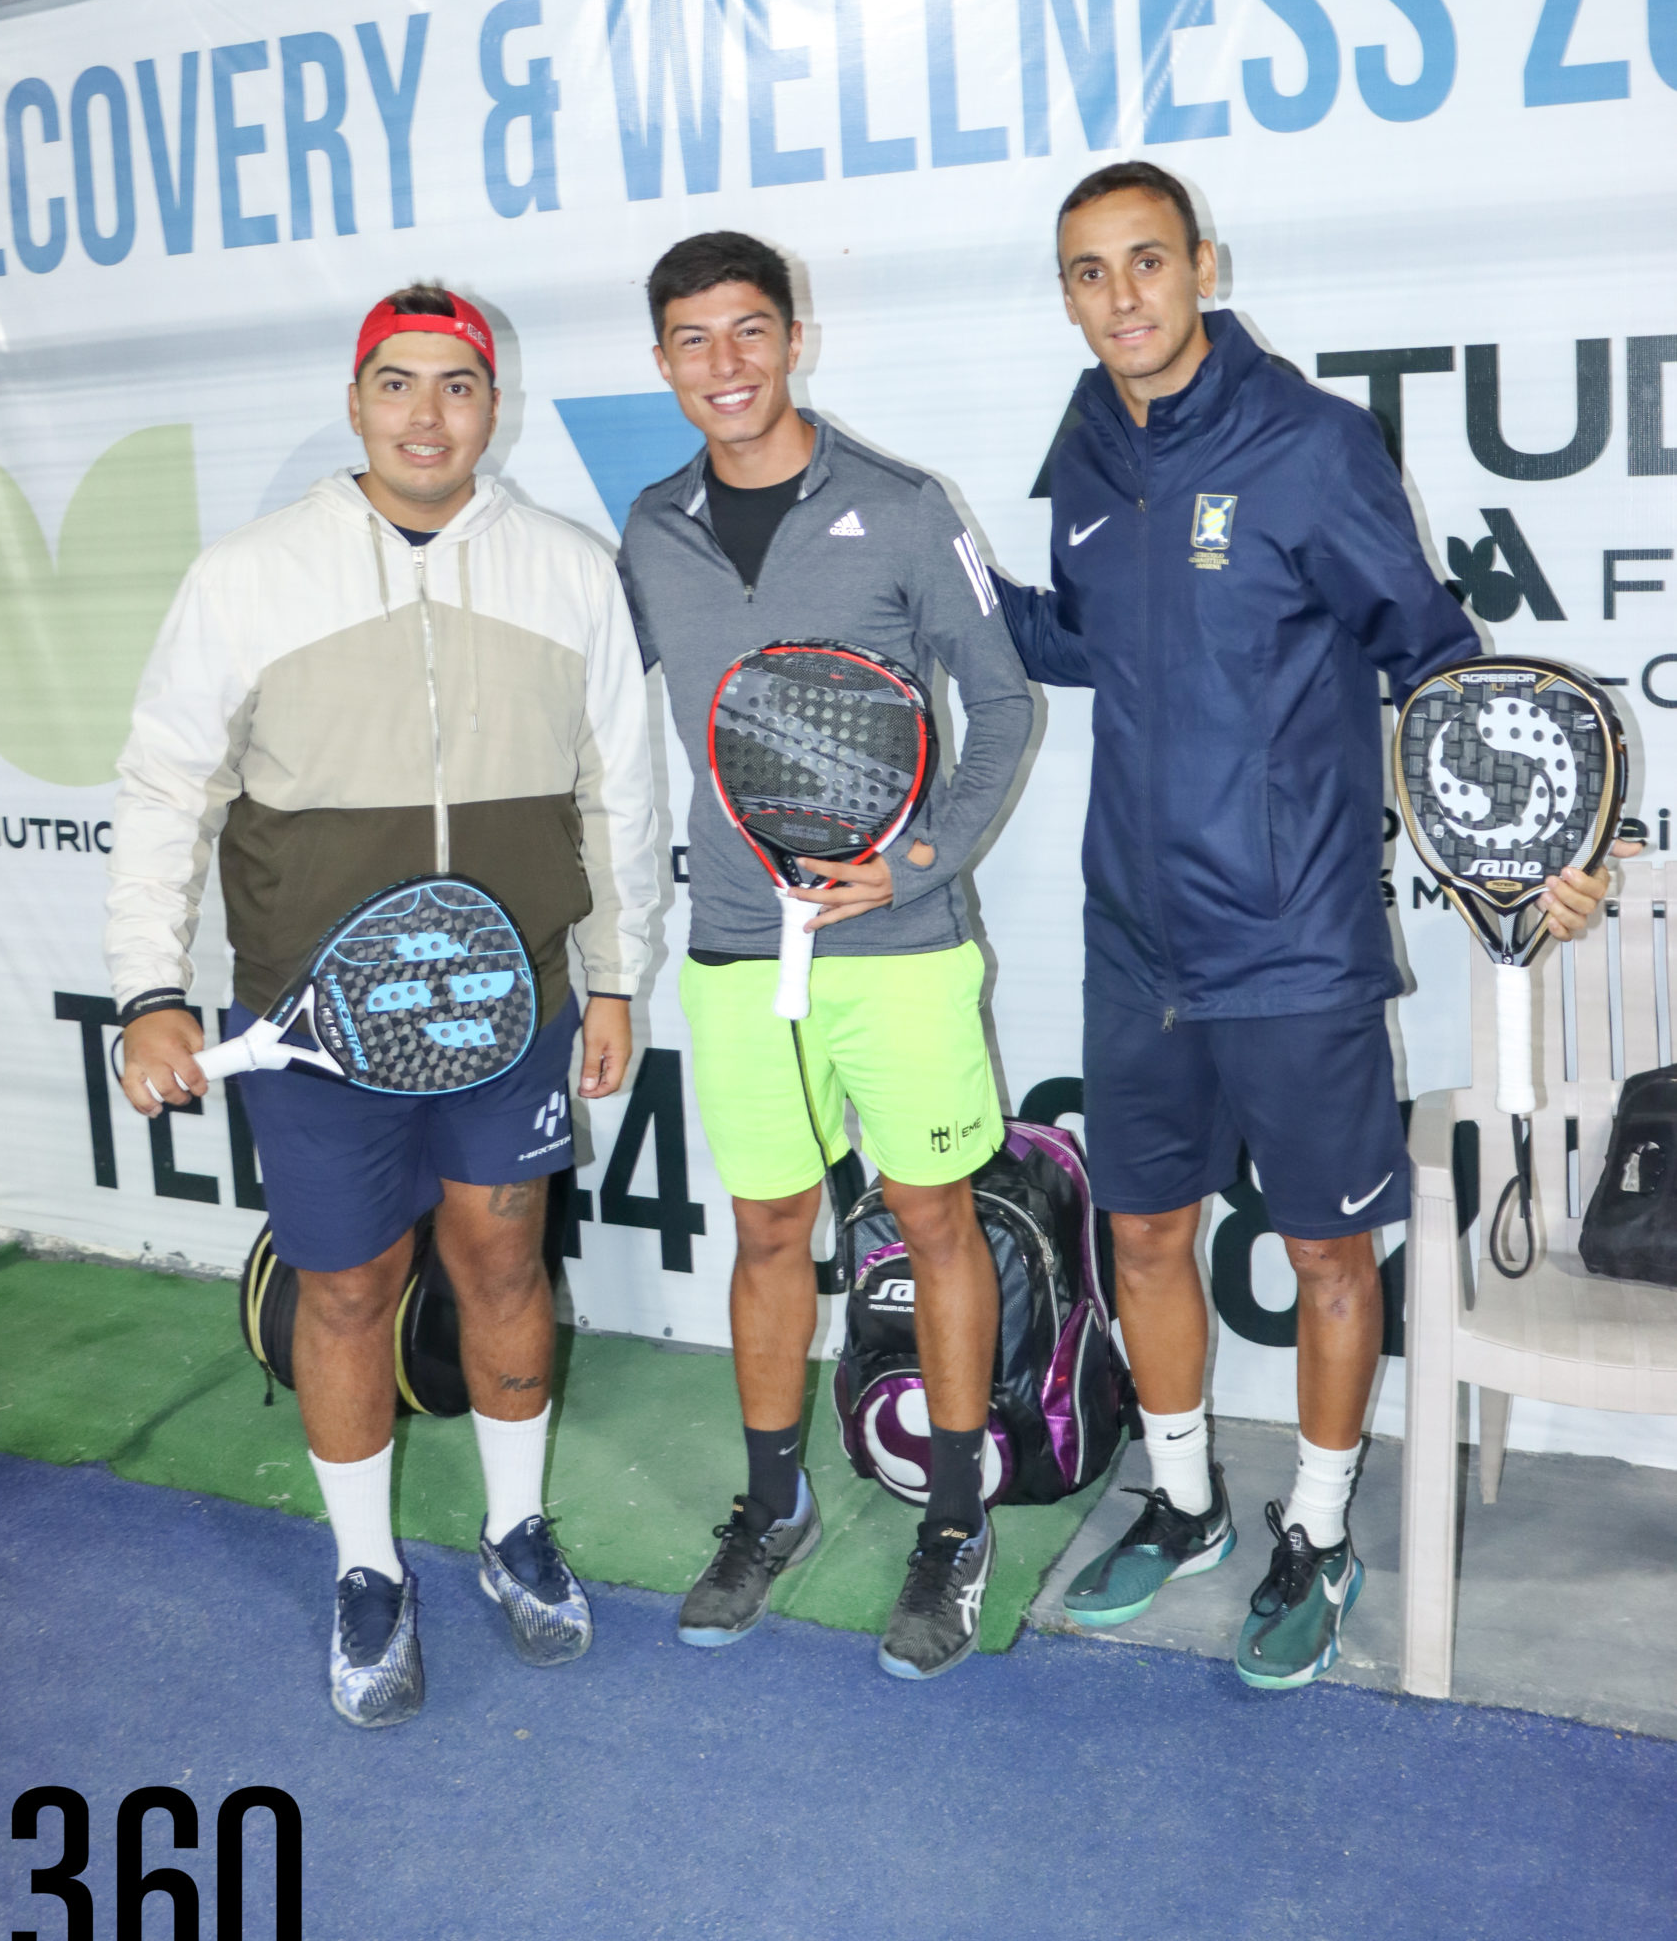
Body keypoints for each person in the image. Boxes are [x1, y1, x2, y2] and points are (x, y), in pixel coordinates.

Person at [994, 161, 1619, 1689]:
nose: (1122, 296)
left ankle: (1323, 1528)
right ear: (1067, 292)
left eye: (1147, 262)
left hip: (1293, 938)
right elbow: (1083, 643)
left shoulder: (1315, 446)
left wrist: (1533, 851)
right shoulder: (1082, 446)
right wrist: (933, 595)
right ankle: (1191, 1502)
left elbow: (1435, 658)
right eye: (1089, 272)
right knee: (1144, 1231)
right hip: (1136, 938)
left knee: (1333, 1255)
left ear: (1204, 263)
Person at [110, 285, 658, 1726]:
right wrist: (148, 991)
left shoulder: (568, 570)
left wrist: (612, 973)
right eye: (399, 384)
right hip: (315, 1024)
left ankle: (514, 1532)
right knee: (344, 1290)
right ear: (355, 403)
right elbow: (167, 786)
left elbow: (618, 791)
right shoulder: (247, 575)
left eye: (459, 385)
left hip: (514, 1005)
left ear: (498, 405)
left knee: (502, 1263)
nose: (429, 413)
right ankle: (369, 1574)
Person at [618, 231, 1033, 1679]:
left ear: (795, 337)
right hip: (737, 952)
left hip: (902, 947)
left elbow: (1005, 704)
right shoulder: (650, 528)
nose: (723, 366)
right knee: (772, 1234)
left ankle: (958, 1522)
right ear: (661, 360)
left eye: (747, 333)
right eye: (691, 341)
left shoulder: (908, 511)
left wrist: (915, 862)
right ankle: (777, 1504)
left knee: (933, 1223)